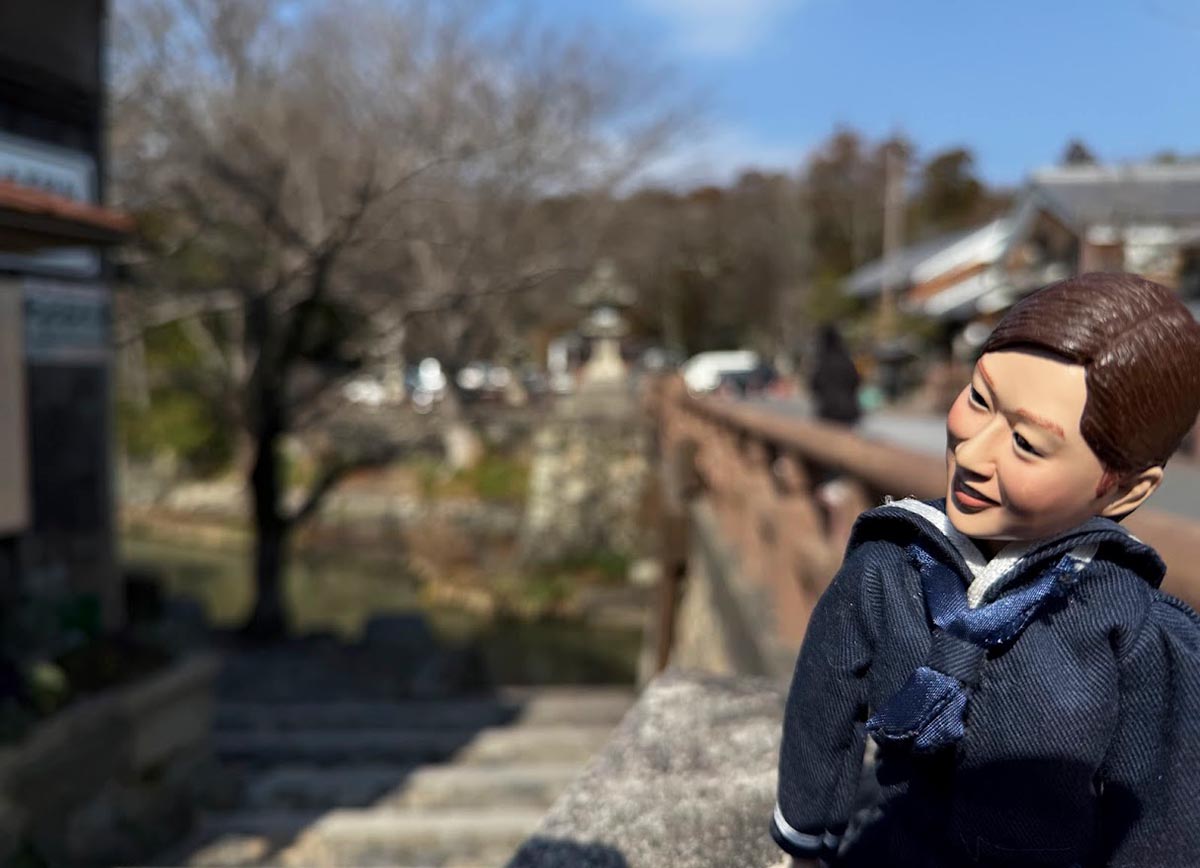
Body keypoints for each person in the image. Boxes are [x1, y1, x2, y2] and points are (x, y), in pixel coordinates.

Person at [771, 273, 1200, 867]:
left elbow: (1159, 809)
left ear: (1125, 488)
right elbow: (825, 709)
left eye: (1026, 443)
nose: (972, 453)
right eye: (978, 399)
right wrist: (807, 836)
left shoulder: (1131, 628)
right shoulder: (889, 566)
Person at [810, 325, 861, 426]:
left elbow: (814, 385)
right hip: (849, 412)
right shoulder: (847, 361)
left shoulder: (823, 363)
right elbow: (856, 381)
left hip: (829, 412)